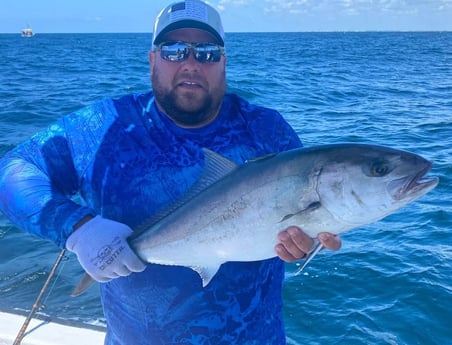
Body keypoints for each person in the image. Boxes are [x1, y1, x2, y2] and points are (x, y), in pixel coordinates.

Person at [0, 0, 341, 343]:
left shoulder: (267, 130)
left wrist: (307, 243)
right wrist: (78, 229)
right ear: (152, 59)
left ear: (224, 62)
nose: (191, 63)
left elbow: (303, 223)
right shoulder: (103, 128)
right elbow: (12, 171)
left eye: (207, 52)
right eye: (174, 50)